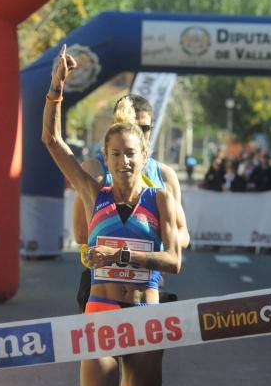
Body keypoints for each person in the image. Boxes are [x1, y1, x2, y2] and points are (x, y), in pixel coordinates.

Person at [43, 45, 181, 386]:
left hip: (146, 314)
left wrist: (125, 258)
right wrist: (56, 86)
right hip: (101, 310)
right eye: (115, 154)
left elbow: (174, 261)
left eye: (131, 154)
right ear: (106, 157)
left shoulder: (160, 199)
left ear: (144, 157)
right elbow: (51, 140)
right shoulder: (92, 190)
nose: (123, 161)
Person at [71, 93, 190, 312]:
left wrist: (148, 240)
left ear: (152, 129)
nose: (138, 133)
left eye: (144, 128)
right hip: (102, 284)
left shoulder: (164, 175)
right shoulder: (96, 170)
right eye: (130, 126)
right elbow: (80, 233)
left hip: (147, 283)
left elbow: (182, 236)